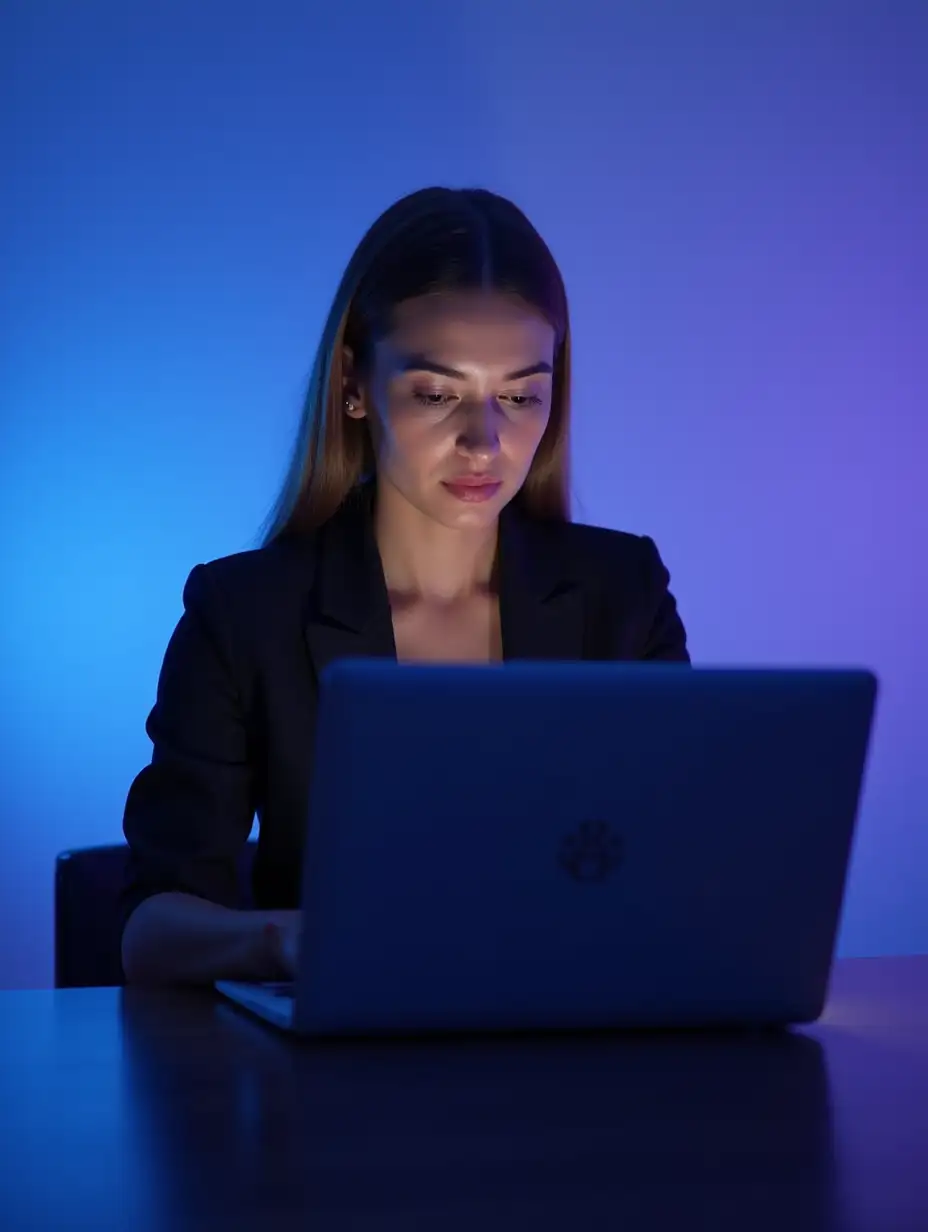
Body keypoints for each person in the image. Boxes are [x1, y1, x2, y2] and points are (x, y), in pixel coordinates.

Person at [120, 186, 690, 985]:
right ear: (354, 382)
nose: (484, 442)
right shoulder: (245, 613)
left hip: (572, 1060)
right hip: (336, 1073)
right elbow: (154, 930)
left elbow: (681, 873)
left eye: (522, 396)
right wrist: (297, 942)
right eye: (436, 393)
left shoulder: (623, 594)